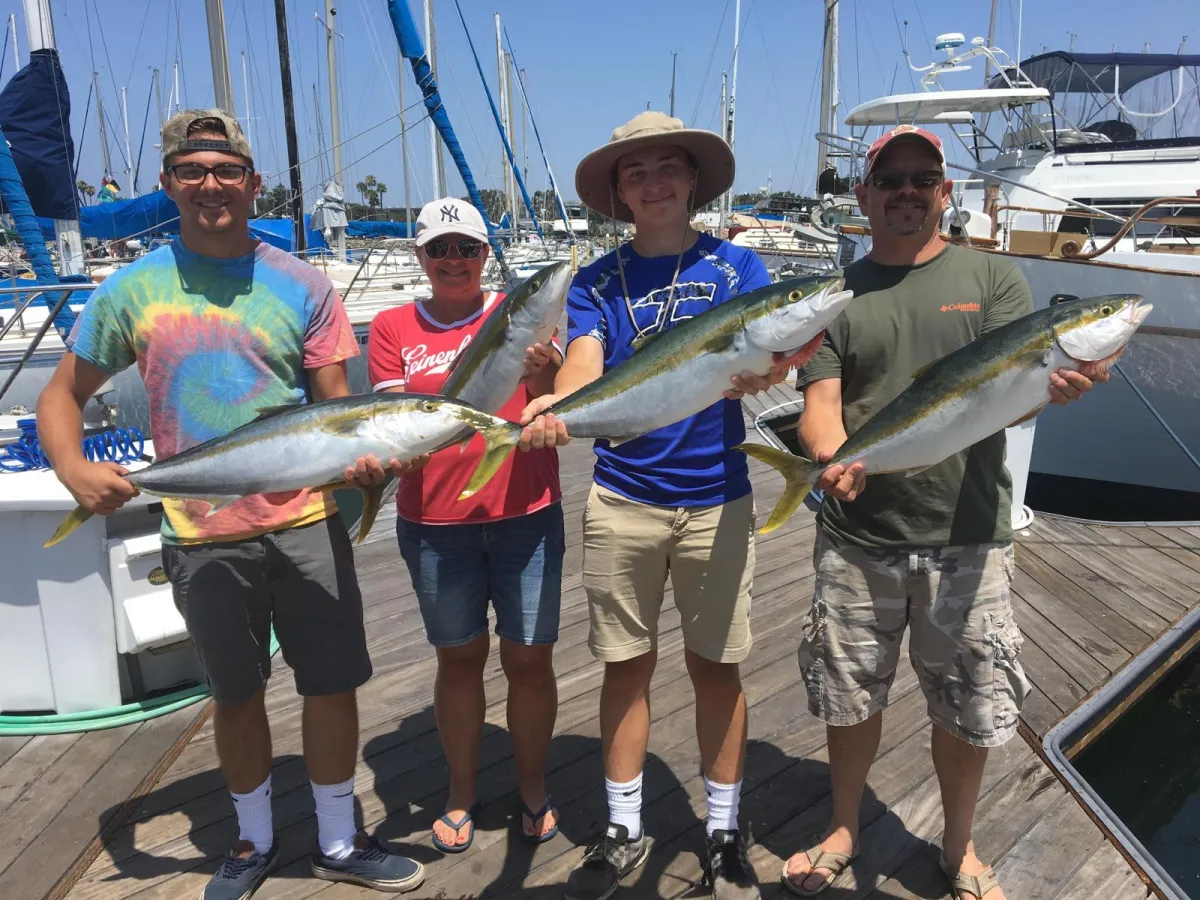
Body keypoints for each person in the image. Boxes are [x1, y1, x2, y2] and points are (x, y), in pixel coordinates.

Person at [36, 110, 423, 899]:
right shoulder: (131, 289)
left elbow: (336, 414)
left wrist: (370, 468)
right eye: (191, 170)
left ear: (252, 184)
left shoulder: (305, 284)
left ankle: (341, 840)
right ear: (168, 184)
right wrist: (74, 470)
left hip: (307, 523)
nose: (209, 184)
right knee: (235, 694)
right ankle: (250, 841)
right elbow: (60, 397)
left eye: (225, 170)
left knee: (331, 683)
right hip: (198, 528)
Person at [780, 125, 1108, 900]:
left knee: (969, 704)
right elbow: (819, 408)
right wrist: (831, 460)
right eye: (889, 177)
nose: (905, 190)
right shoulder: (838, 297)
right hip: (858, 536)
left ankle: (959, 849)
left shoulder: (994, 281)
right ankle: (843, 828)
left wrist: (1052, 386)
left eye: (921, 177)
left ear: (943, 191)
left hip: (968, 536)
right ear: (862, 195)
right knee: (851, 695)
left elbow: (1002, 395)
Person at [519, 112, 823, 900]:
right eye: (635, 172)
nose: (653, 183)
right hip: (623, 497)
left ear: (692, 179)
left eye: (667, 168)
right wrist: (555, 403)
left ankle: (723, 827)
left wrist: (772, 371)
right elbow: (587, 363)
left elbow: (777, 355)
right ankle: (624, 826)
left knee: (718, 668)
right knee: (626, 666)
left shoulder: (739, 268)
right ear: (618, 193)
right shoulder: (598, 281)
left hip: (716, 498)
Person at [366, 197, 566, 853]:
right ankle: (460, 790)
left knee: (529, 659)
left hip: (527, 514)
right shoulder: (393, 327)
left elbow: (551, 409)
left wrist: (548, 373)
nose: (455, 261)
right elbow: (396, 427)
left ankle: (533, 787)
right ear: (420, 257)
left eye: (468, 248)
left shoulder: (523, 317)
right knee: (459, 659)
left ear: (487, 255)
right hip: (434, 520)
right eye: (440, 249)